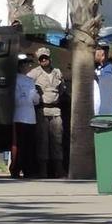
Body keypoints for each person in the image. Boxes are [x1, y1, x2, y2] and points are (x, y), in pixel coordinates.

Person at [29, 47, 66, 178]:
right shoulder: (34, 73)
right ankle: (43, 170)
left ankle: (58, 169)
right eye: (41, 59)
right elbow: (28, 86)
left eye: (45, 58)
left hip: (56, 110)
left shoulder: (57, 72)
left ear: (50, 58)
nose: (43, 60)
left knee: (57, 140)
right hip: (42, 110)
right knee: (43, 140)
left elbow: (62, 89)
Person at [11, 56, 41, 179]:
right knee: (19, 145)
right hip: (19, 116)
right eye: (24, 64)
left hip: (30, 117)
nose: (27, 66)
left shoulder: (30, 80)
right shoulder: (16, 80)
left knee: (29, 145)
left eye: (28, 64)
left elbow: (36, 100)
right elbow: (17, 99)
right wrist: (29, 97)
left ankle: (28, 170)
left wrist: (33, 96)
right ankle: (15, 169)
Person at [91, 43, 112, 115]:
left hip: (103, 109)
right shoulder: (99, 68)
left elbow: (106, 82)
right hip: (97, 108)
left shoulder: (110, 68)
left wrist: (93, 76)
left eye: (96, 52)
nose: (93, 55)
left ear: (103, 54)